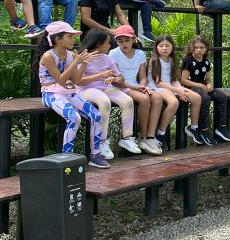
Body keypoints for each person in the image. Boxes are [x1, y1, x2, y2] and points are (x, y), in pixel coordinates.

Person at [34, 21, 108, 168]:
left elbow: (77, 80)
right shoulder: (49, 56)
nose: (73, 40)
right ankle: (67, 156)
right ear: (57, 39)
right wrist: (75, 62)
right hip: (51, 94)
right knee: (74, 117)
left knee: (96, 115)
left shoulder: (70, 54)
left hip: (68, 92)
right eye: (70, 36)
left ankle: (95, 154)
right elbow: (61, 80)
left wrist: (84, 63)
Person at [76, 28, 144, 158]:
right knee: (104, 101)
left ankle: (127, 137)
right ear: (98, 44)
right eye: (107, 43)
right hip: (85, 90)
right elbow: (79, 81)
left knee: (127, 100)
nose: (110, 45)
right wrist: (101, 75)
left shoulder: (107, 58)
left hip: (104, 88)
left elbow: (121, 79)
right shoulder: (83, 57)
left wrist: (115, 79)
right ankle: (102, 141)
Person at [110, 25, 171, 152]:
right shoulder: (114, 53)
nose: (124, 44)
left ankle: (150, 136)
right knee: (144, 100)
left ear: (134, 39)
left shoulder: (140, 53)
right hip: (121, 86)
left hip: (136, 85)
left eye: (127, 40)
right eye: (120, 41)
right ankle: (142, 137)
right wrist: (138, 88)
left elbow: (143, 77)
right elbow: (117, 81)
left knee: (158, 97)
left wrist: (142, 86)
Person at [147, 34, 208, 146]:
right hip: (158, 87)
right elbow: (158, 82)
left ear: (172, 47)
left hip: (171, 86)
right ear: (156, 47)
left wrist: (181, 89)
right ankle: (160, 133)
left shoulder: (172, 60)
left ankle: (193, 128)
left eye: (167, 45)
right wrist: (177, 90)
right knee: (174, 102)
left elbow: (174, 79)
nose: (164, 48)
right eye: (161, 46)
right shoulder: (155, 60)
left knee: (197, 98)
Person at [180, 35, 230, 144]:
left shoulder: (206, 61)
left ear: (206, 48)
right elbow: (183, 80)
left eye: (201, 47)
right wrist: (200, 86)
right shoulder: (188, 61)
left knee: (221, 96)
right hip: (190, 87)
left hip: (202, 86)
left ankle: (221, 127)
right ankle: (203, 129)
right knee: (205, 98)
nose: (199, 50)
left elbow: (207, 78)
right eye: (196, 47)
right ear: (192, 48)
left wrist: (209, 84)